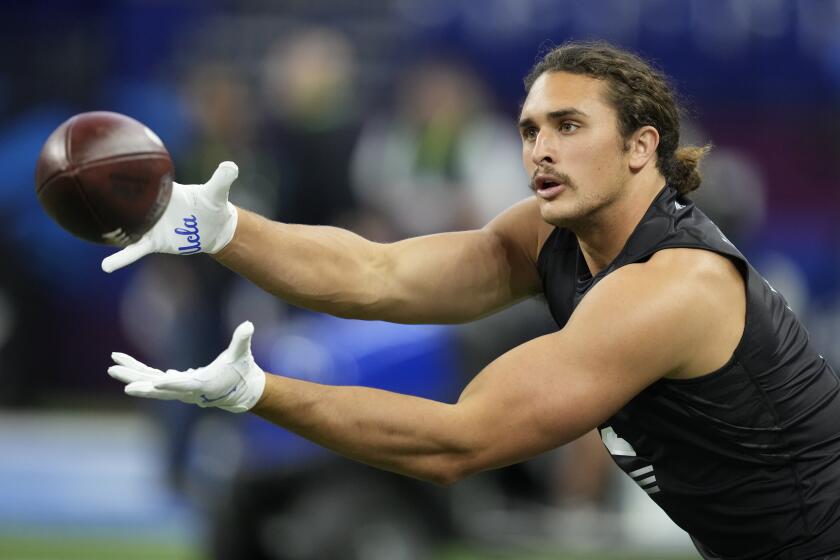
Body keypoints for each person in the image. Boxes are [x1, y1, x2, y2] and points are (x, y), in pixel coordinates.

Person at [103, 42, 840, 559]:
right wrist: (216, 227)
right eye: (529, 130)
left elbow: (460, 442)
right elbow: (377, 274)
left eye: (569, 126)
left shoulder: (672, 285)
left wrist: (257, 392)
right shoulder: (553, 237)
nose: (539, 150)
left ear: (641, 147)